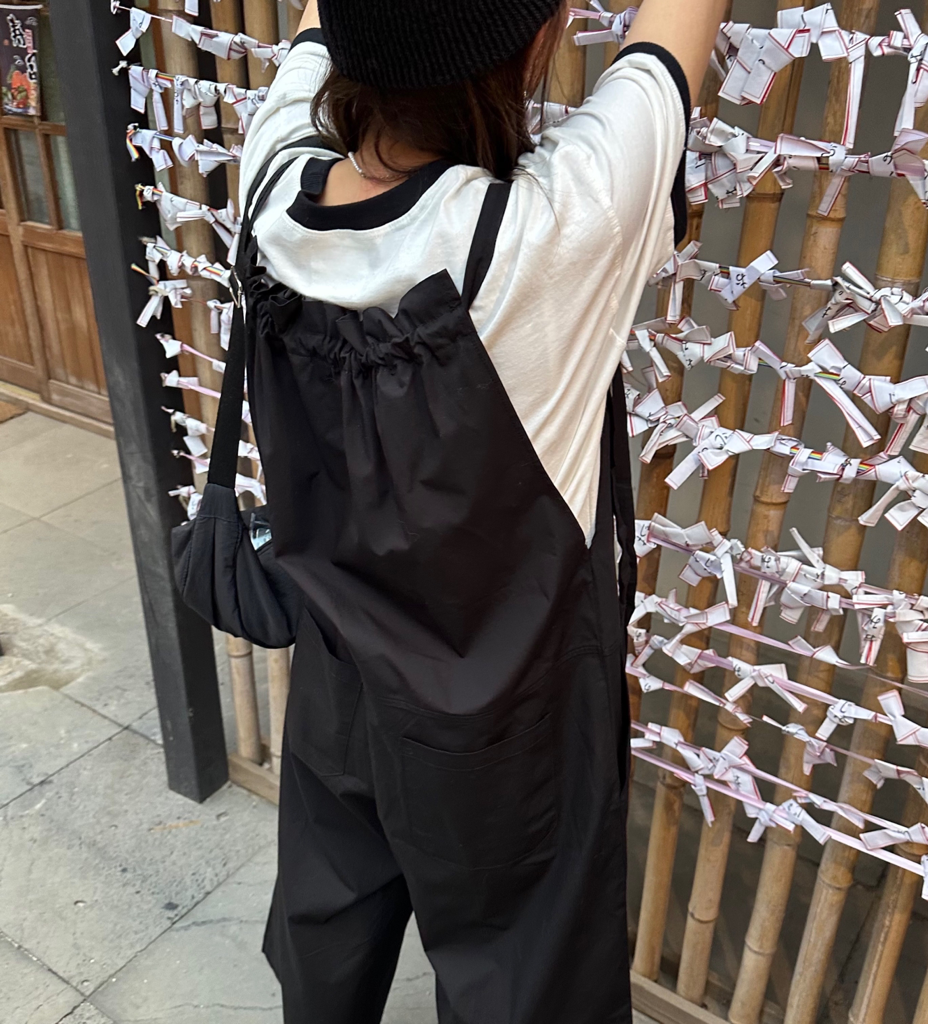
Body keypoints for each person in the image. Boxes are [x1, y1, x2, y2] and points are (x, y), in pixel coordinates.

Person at [237, 1, 726, 1020]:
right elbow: (675, 37)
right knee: (522, 981)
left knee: (329, 931)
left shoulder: (270, 184)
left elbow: (321, 38)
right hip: (507, 722)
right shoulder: (548, 234)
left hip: (339, 669)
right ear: (541, 42)